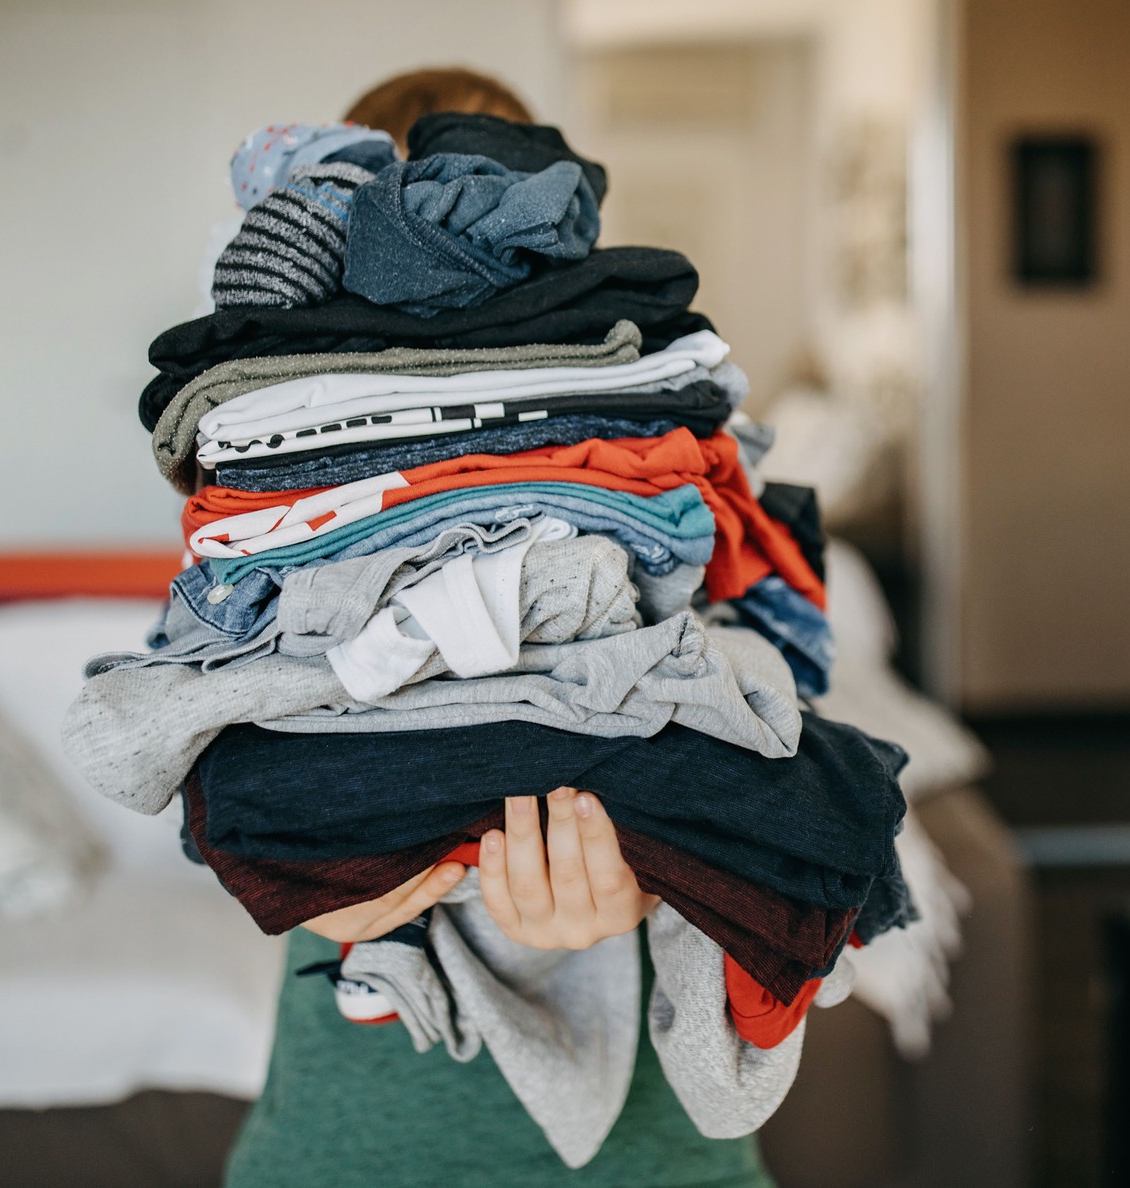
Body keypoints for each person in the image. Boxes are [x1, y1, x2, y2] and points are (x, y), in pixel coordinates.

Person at [219, 68, 777, 1188]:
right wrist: (299, 880)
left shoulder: (668, 467)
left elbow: (782, 741)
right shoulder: (263, 491)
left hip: (655, 1145)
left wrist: (668, 875)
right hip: (359, 1129)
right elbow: (205, 762)